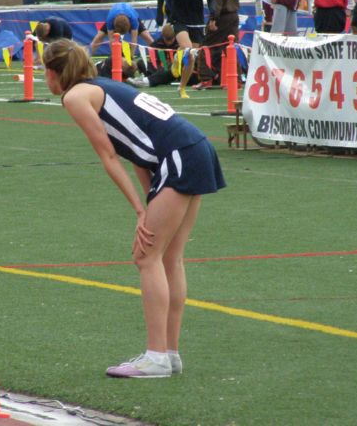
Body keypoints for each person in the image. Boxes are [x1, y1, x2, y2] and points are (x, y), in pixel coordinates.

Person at [42, 39, 225, 378]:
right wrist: (150, 200)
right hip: (194, 147)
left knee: (146, 256)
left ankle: (156, 357)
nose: (44, 79)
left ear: (55, 73)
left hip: (179, 155)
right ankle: (169, 355)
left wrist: (141, 211)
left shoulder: (75, 96)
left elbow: (109, 156)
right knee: (169, 257)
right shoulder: (106, 86)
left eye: (45, 72)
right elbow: (136, 152)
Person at [155, 0, 215, 97]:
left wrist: (213, 14)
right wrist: (159, 13)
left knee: (192, 56)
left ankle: (181, 87)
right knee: (188, 50)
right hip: (179, 19)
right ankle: (178, 58)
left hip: (197, 20)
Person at [196, 0, 241, 88]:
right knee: (231, 47)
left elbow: (217, 0)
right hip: (234, 14)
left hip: (221, 16)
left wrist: (213, 19)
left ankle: (206, 78)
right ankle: (236, 79)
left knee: (206, 46)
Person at [89, 1, 154, 55]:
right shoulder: (110, 21)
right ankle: (88, 58)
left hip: (131, 15)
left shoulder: (134, 20)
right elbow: (111, 40)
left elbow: (134, 40)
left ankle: (158, 55)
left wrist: (131, 57)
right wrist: (115, 56)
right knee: (98, 38)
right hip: (115, 16)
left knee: (147, 37)